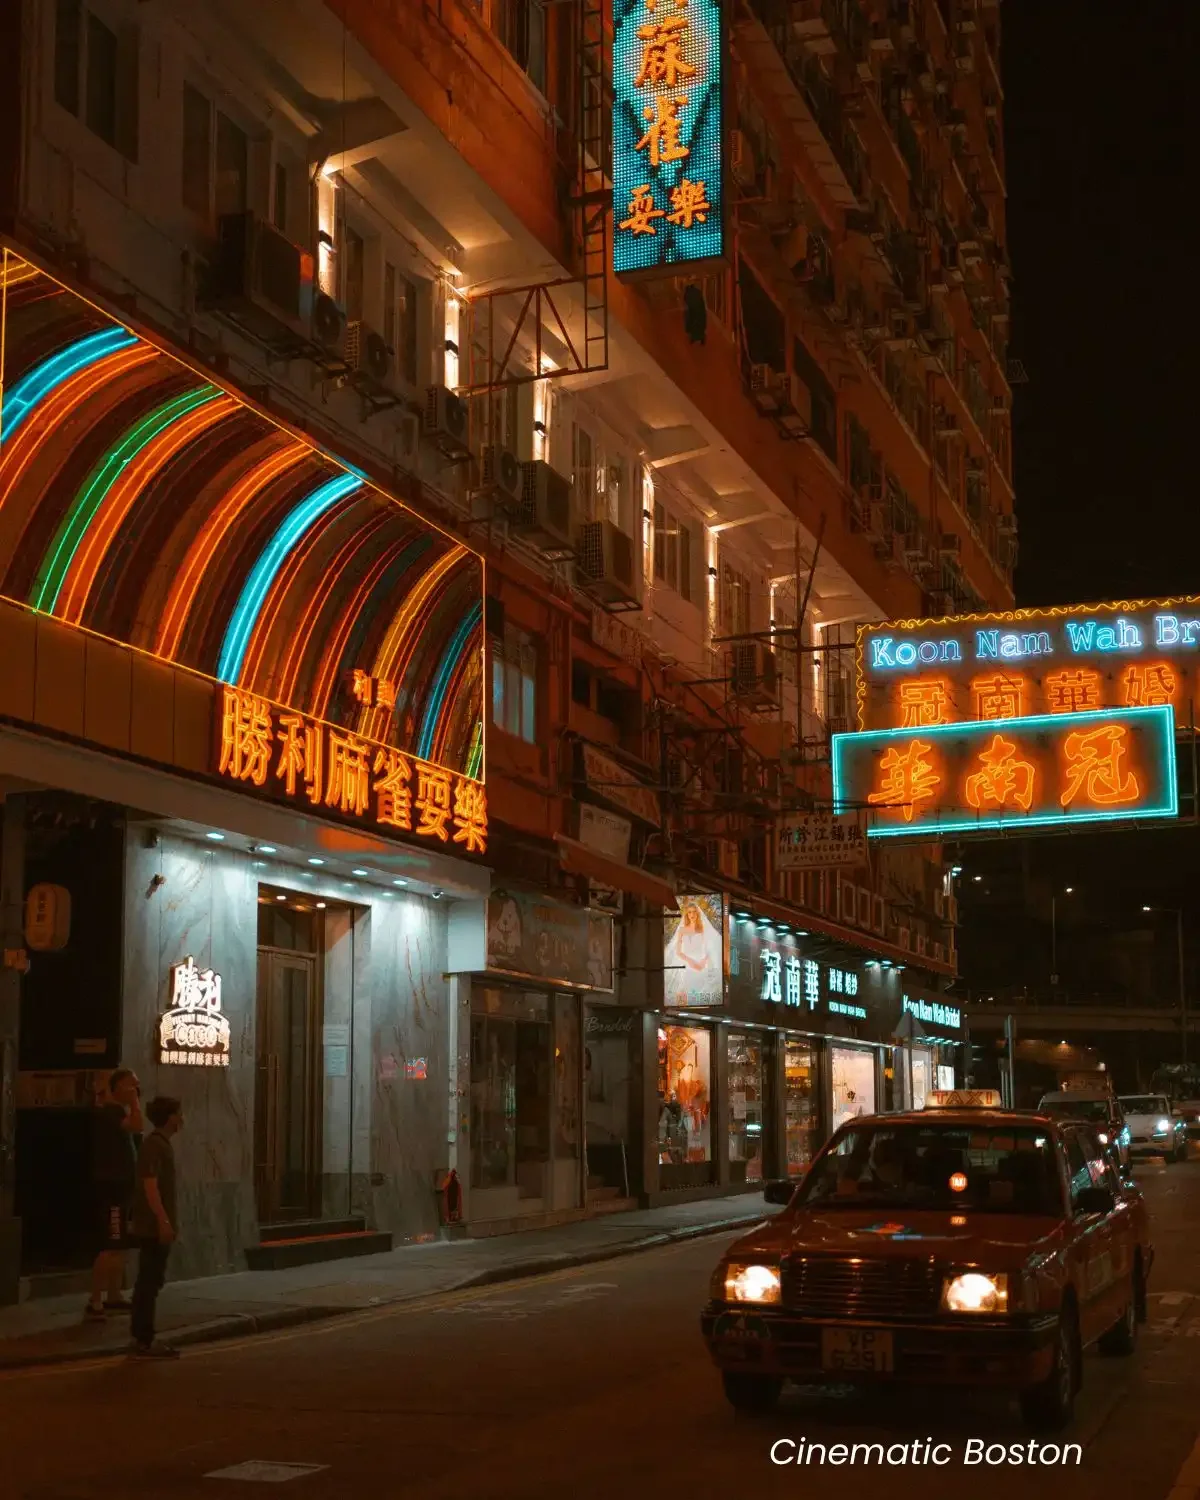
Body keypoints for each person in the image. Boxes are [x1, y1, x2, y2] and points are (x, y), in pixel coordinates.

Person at [128, 1096, 183, 1359]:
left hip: (156, 1225)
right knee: (149, 1281)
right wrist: (163, 1221)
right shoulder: (154, 1146)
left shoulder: (161, 1145)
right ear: (170, 1117)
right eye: (179, 1114)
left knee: (151, 1280)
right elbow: (149, 1185)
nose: (182, 1119)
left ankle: (142, 1337)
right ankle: (143, 1340)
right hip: (152, 1227)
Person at [86, 1067, 143, 1320]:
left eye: (137, 1087)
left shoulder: (113, 1111)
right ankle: (95, 1298)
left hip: (123, 1186)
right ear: (117, 1087)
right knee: (111, 1243)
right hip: (113, 1188)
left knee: (119, 1245)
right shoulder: (111, 1111)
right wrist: (134, 1103)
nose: (135, 1091)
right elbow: (137, 1125)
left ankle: (113, 1294)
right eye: (131, 1086)